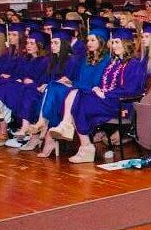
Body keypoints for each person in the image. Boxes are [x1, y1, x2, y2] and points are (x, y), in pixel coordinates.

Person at [49, 28, 144, 163]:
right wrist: (99, 90)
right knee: (77, 95)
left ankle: (84, 144)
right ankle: (81, 142)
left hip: (122, 104)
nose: (114, 45)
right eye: (113, 42)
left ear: (127, 44)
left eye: (118, 42)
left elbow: (131, 90)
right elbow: (104, 83)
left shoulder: (135, 65)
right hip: (107, 100)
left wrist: (105, 93)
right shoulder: (114, 63)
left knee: (79, 101)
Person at [34, 29, 110, 158]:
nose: (89, 43)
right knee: (54, 86)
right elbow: (80, 80)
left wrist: (73, 83)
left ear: (101, 42)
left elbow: (95, 83)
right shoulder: (87, 59)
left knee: (61, 91)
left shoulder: (106, 60)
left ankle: (49, 130)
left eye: (93, 40)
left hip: (90, 93)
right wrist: (71, 81)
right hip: (79, 89)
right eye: (88, 40)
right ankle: (53, 127)